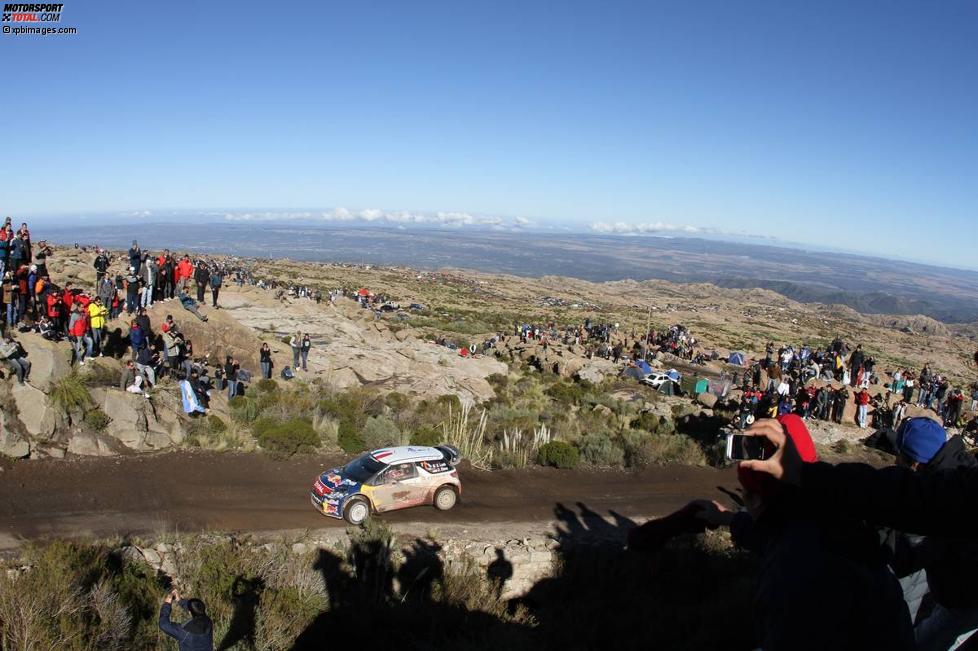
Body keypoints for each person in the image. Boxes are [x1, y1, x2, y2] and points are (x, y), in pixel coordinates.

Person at [636, 415, 915, 651]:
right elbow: (778, 534)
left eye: (745, 494)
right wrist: (728, 519)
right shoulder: (836, 515)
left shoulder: (791, 576)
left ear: (755, 500)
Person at [881, 418, 978, 650]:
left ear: (914, 463)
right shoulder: (964, 468)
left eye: (900, 456)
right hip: (956, 584)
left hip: (963, 598)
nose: (895, 460)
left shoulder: (938, 499)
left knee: (924, 641)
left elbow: (903, 558)